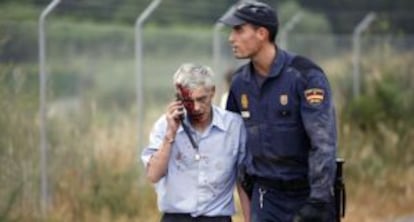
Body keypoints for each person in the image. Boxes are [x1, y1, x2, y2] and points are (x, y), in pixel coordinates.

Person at [219, 1, 337, 222]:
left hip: (308, 194)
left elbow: (323, 142)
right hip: (266, 198)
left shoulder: (305, 76)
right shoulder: (239, 84)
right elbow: (237, 149)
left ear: (262, 33)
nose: (231, 38)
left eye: (238, 30)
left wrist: (319, 200)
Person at [141, 63, 251, 222]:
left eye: (202, 99)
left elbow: (243, 181)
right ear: (178, 98)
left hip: (216, 217)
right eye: (189, 101)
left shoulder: (234, 127)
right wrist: (170, 135)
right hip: (176, 217)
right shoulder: (164, 126)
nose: (197, 107)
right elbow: (153, 175)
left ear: (212, 91)